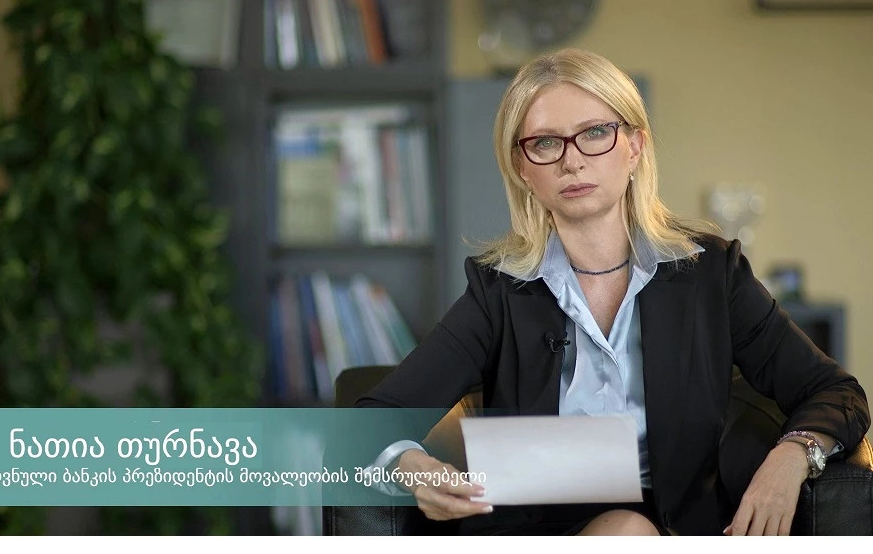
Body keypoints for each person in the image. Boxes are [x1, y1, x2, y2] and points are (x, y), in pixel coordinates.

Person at [354, 47, 870, 536]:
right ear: (522, 168)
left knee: (629, 529)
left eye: (595, 132)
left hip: (675, 529)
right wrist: (413, 467)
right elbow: (372, 420)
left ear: (634, 147)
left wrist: (792, 456)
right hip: (533, 531)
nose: (572, 161)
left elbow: (838, 393)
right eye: (545, 143)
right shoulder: (498, 291)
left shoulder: (713, 274)